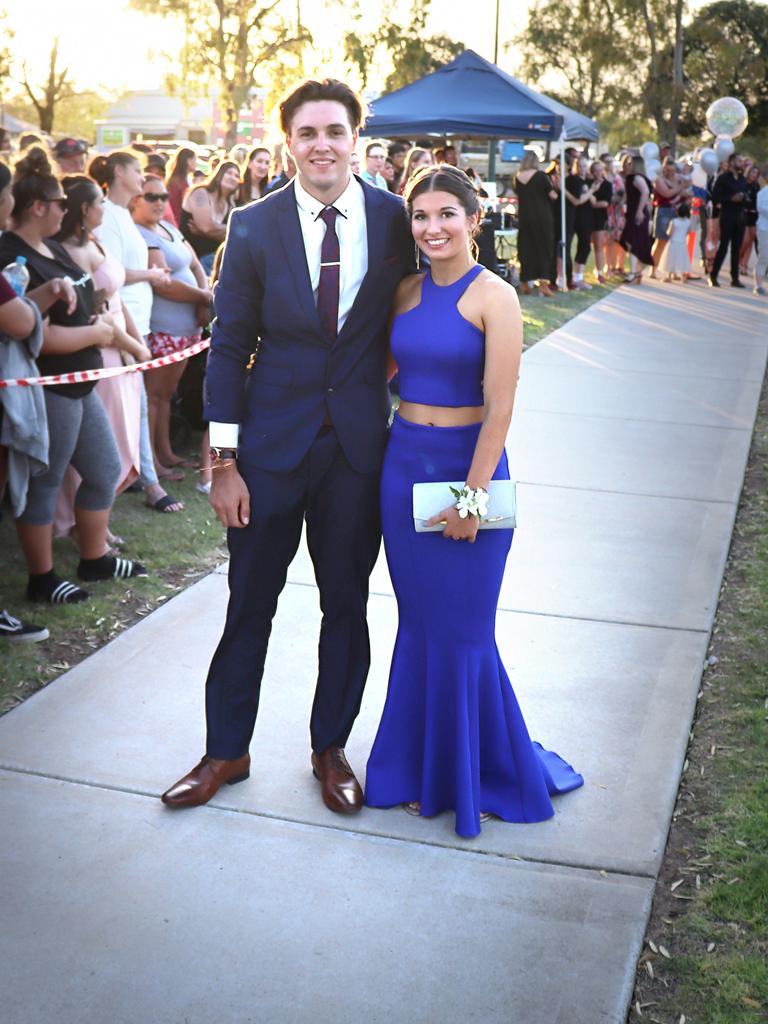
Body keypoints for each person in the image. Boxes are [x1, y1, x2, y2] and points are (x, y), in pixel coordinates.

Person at [160, 78, 414, 812]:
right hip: (266, 454)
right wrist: (222, 464)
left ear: (355, 139)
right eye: (308, 134)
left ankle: (330, 749)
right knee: (250, 606)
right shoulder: (254, 223)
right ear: (288, 143)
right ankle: (224, 753)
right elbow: (229, 343)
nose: (322, 145)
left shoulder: (396, 219)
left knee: (346, 607)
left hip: (358, 454)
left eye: (335, 131)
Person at [364, 164, 583, 837]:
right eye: (421, 217)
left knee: (463, 632)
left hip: (470, 472)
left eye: (446, 215)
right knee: (421, 625)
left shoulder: (496, 296)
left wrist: (473, 498)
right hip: (403, 467)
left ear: (474, 218)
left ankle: (482, 773)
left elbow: (502, 406)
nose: (433, 228)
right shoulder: (403, 291)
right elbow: (381, 371)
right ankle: (415, 771)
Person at [0, 147, 147, 604]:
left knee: (103, 469)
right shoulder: (11, 253)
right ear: (37, 207)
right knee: (46, 480)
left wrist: (100, 324)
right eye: (59, 202)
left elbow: (83, 301)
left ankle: (94, 558)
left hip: (82, 382)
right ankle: (42, 579)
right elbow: (34, 333)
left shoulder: (54, 248)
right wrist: (97, 332)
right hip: (48, 386)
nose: (66, 208)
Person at [52, 174, 152, 542]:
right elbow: (95, 314)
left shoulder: (94, 241)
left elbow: (118, 300)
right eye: (99, 203)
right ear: (83, 209)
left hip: (121, 346)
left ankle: (98, 520)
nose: (104, 209)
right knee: (99, 446)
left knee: (121, 440)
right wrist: (131, 345)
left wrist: (138, 344)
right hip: (102, 352)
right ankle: (83, 525)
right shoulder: (69, 253)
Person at [89, 150, 183, 513]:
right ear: (117, 173)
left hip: (138, 321)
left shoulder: (125, 215)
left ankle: (141, 478)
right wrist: (152, 275)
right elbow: (110, 275)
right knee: (130, 407)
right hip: (121, 325)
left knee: (138, 404)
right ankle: (146, 483)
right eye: (135, 170)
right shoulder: (108, 217)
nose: (142, 177)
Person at [132, 174, 212, 475]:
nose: (159, 203)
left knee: (167, 395)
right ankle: (151, 461)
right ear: (136, 199)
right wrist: (203, 295)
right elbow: (162, 285)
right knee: (153, 395)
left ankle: (166, 453)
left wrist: (203, 297)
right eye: (151, 197)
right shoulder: (140, 234)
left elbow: (192, 262)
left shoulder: (166, 227)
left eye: (163, 197)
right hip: (164, 328)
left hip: (187, 330)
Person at [180, 160, 240, 275]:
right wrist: (222, 230)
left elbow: (231, 236)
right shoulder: (201, 193)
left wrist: (210, 231)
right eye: (229, 173)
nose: (232, 177)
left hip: (213, 261)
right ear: (218, 175)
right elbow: (207, 227)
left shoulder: (229, 204)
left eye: (237, 176)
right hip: (193, 259)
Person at [512, 150, 555, 296]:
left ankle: (525, 282)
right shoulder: (541, 176)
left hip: (525, 217)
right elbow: (553, 196)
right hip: (542, 217)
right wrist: (556, 185)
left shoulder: (517, 178)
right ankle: (543, 283)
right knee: (544, 248)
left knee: (525, 248)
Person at [710, 152, 748, 288]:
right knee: (724, 246)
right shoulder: (723, 178)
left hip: (740, 217)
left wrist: (743, 197)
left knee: (736, 248)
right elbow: (715, 197)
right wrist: (730, 198)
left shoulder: (743, 179)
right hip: (727, 215)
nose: (741, 163)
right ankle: (713, 275)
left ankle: (735, 278)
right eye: (738, 160)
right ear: (731, 162)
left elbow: (747, 194)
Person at [619, 155, 653, 284]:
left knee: (633, 241)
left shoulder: (637, 178)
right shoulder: (630, 178)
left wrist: (639, 211)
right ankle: (637, 270)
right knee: (629, 240)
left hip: (638, 213)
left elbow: (645, 192)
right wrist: (621, 204)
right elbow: (628, 194)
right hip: (632, 212)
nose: (628, 165)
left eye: (630, 163)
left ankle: (634, 272)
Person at [650, 157, 686, 278]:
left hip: (677, 212)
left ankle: (673, 271)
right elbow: (666, 193)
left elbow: (688, 192)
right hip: (663, 211)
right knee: (661, 241)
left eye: (672, 170)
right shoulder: (659, 180)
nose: (670, 172)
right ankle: (653, 269)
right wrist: (681, 188)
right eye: (667, 170)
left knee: (675, 243)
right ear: (663, 169)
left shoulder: (679, 178)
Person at [564, 155, 595, 290]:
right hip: (577, 217)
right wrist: (593, 190)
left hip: (586, 216)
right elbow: (578, 200)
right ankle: (575, 278)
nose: (583, 168)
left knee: (584, 247)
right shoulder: (574, 180)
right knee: (582, 247)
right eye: (580, 165)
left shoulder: (586, 180)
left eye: (585, 165)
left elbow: (590, 200)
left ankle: (578, 277)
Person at [588, 159, 612, 283]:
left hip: (600, 218)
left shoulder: (607, 184)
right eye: (595, 171)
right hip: (587, 217)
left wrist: (592, 200)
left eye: (599, 170)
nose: (597, 173)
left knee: (598, 245)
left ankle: (600, 272)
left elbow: (604, 203)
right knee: (585, 246)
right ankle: (579, 273)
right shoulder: (588, 183)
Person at [658, 202, 692, 282]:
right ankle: (683, 277)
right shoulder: (688, 222)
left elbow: (669, 232)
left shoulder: (674, 221)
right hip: (682, 243)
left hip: (673, 243)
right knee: (682, 260)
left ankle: (669, 276)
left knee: (671, 259)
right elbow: (688, 232)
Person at [165, 147, 197, 226]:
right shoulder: (181, 182)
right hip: (179, 223)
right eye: (195, 160)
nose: (196, 164)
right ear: (189, 161)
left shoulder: (175, 179)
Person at [739, 164, 760, 278]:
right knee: (746, 239)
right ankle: (737, 259)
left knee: (751, 239)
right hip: (744, 213)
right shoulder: (743, 184)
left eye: (756, 173)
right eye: (752, 172)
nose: (754, 175)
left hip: (754, 214)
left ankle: (744, 264)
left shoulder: (756, 186)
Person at [754, 167, 768, 296]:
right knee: (764, 256)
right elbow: (761, 209)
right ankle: (758, 285)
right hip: (764, 228)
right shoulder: (763, 193)